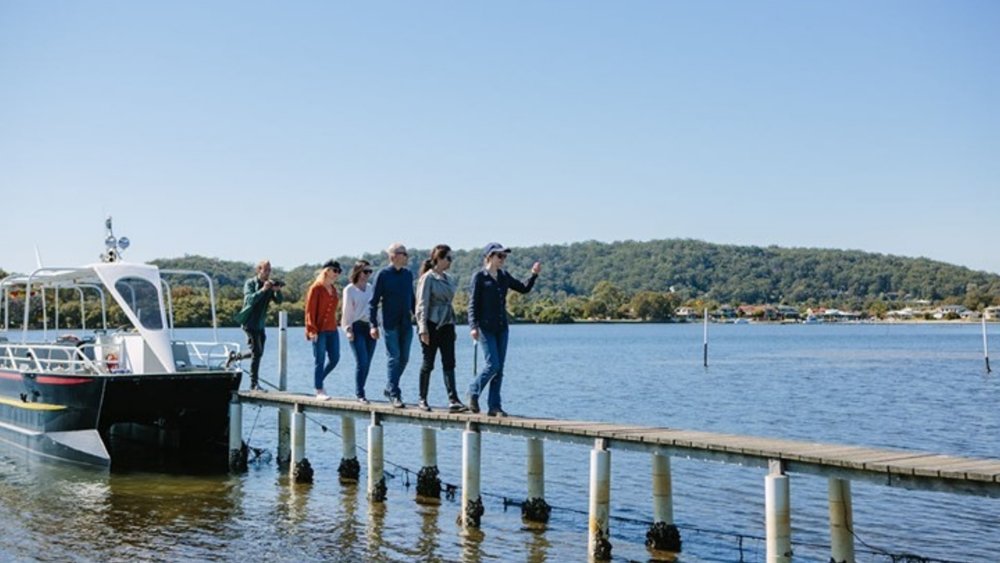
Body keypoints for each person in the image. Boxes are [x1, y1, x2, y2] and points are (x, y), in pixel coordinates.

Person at [467, 243, 542, 416]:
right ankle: (473, 391)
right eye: (500, 256)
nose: (503, 259)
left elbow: (524, 289)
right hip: (485, 327)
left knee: (500, 369)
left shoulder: (504, 276)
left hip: (502, 327)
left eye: (504, 256)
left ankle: (494, 406)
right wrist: (473, 326)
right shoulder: (479, 277)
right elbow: (472, 304)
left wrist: (534, 275)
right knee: (493, 364)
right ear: (489, 257)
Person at [415, 245, 467, 412]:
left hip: (447, 323)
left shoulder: (449, 278)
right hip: (431, 323)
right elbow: (422, 304)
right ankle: (422, 398)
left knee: (449, 361)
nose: (450, 261)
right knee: (428, 362)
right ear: (439, 259)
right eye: (448, 258)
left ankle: (453, 399)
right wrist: (422, 328)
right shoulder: (428, 278)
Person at [369, 243, 415, 408]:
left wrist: (419, 317)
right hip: (389, 323)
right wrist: (373, 325)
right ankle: (395, 393)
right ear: (393, 256)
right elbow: (373, 302)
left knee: (404, 359)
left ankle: (390, 387)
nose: (407, 257)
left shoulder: (408, 274)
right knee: (394, 357)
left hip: (406, 323)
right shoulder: (383, 275)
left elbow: (412, 298)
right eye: (404, 254)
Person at [233, 260, 284, 391]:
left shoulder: (270, 284)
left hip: (260, 324)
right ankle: (253, 384)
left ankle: (235, 357)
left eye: (269, 270)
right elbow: (250, 300)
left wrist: (277, 290)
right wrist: (263, 289)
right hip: (249, 322)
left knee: (257, 353)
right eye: (265, 270)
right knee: (257, 352)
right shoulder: (250, 283)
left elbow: (279, 301)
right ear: (259, 270)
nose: (268, 273)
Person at [305, 260, 341, 400]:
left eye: (339, 272)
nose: (337, 274)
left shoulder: (334, 290)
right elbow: (309, 311)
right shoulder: (316, 288)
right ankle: (319, 389)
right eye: (335, 270)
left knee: (335, 358)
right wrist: (311, 329)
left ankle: (318, 381)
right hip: (319, 330)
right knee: (319, 359)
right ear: (326, 270)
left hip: (332, 329)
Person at [342, 260, 376, 404]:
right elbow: (346, 311)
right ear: (358, 272)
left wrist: (376, 326)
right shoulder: (349, 289)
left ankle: (362, 389)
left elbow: (375, 308)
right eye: (365, 271)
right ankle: (360, 394)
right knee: (361, 361)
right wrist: (348, 329)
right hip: (356, 326)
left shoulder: (370, 288)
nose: (367, 274)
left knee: (367, 362)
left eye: (370, 272)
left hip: (370, 327)